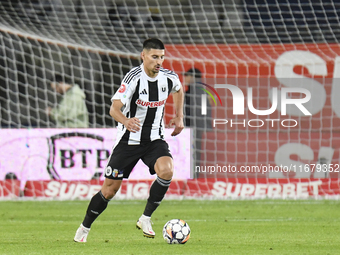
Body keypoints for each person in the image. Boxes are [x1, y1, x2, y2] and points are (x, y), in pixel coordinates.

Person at [74, 38, 184, 242]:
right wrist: (125, 121)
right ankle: (84, 228)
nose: (158, 61)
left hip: (154, 139)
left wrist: (179, 116)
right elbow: (114, 109)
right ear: (143, 56)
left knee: (167, 170)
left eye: (161, 57)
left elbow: (178, 89)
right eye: (154, 57)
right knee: (109, 191)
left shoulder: (169, 77)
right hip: (128, 141)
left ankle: (145, 218)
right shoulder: (133, 77)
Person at [183, 68, 212, 177]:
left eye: (187, 76)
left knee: (194, 156)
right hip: (200, 128)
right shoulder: (202, 90)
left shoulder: (194, 92)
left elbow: (194, 112)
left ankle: (194, 179)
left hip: (195, 129)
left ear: (192, 77)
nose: (185, 78)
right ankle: (194, 177)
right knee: (196, 156)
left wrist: (185, 127)